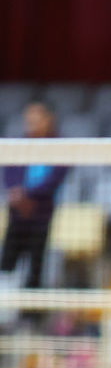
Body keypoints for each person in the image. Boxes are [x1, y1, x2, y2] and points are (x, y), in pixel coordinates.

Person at [1, 102, 66, 289]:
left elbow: (55, 177)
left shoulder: (60, 146)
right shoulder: (19, 145)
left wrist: (29, 195)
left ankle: (31, 304)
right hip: (17, 212)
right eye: (29, 119)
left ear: (48, 119)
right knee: (8, 260)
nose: (32, 123)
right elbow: (10, 173)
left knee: (36, 264)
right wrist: (17, 194)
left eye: (36, 118)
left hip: (41, 212)